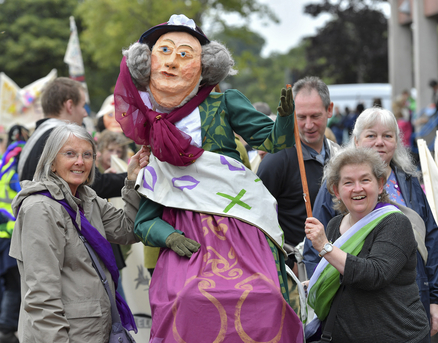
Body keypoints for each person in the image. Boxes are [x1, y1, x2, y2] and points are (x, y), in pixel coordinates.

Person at [115, 14, 304, 342]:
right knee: (186, 300)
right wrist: (170, 237)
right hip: (184, 229)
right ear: (149, 64)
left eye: (185, 54)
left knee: (270, 297)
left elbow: (275, 141)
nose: (173, 62)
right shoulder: (152, 125)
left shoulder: (225, 102)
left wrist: (286, 119)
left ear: (204, 65)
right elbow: (145, 221)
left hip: (240, 221)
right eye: (165, 52)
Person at [304, 107, 438, 338]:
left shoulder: (409, 184)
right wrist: (320, 293)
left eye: (387, 136)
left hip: (402, 313)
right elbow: (316, 250)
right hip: (353, 324)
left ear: (380, 186)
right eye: (371, 135)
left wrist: (436, 298)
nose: (379, 143)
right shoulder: (336, 194)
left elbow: (429, 239)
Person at [9, 123, 149, 342]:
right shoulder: (40, 209)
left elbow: (129, 230)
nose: (80, 162)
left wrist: (131, 180)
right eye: (70, 154)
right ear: (52, 162)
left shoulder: (87, 198)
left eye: (87, 154)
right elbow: (41, 297)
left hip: (95, 331)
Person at [257, 76, 339, 276]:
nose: (308, 125)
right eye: (301, 117)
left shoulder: (341, 157)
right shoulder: (276, 160)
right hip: (297, 271)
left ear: (330, 110)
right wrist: (286, 263)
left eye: (315, 116)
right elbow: (257, 221)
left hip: (338, 263)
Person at [18, 77, 126, 199]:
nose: (85, 114)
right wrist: (133, 178)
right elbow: (93, 186)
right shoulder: (60, 136)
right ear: (70, 105)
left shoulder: (38, 135)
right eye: (82, 106)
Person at [0, 125, 28, 343]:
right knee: (15, 285)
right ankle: (7, 330)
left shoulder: (4, 162)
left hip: (2, 235)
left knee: (9, 284)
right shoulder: (21, 163)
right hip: (12, 235)